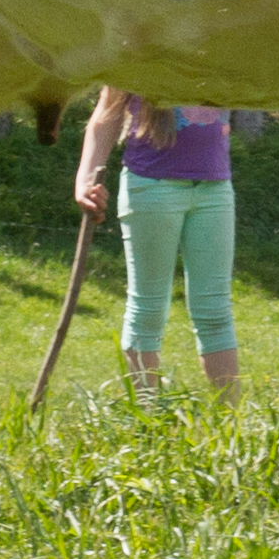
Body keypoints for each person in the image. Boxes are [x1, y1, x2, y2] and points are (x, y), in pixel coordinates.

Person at [72, 89, 241, 399]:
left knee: (215, 310)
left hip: (215, 187)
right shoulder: (141, 46)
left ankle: (232, 424)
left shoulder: (221, 48)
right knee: (147, 309)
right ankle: (146, 421)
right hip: (151, 186)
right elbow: (107, 113)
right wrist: (84, 180)